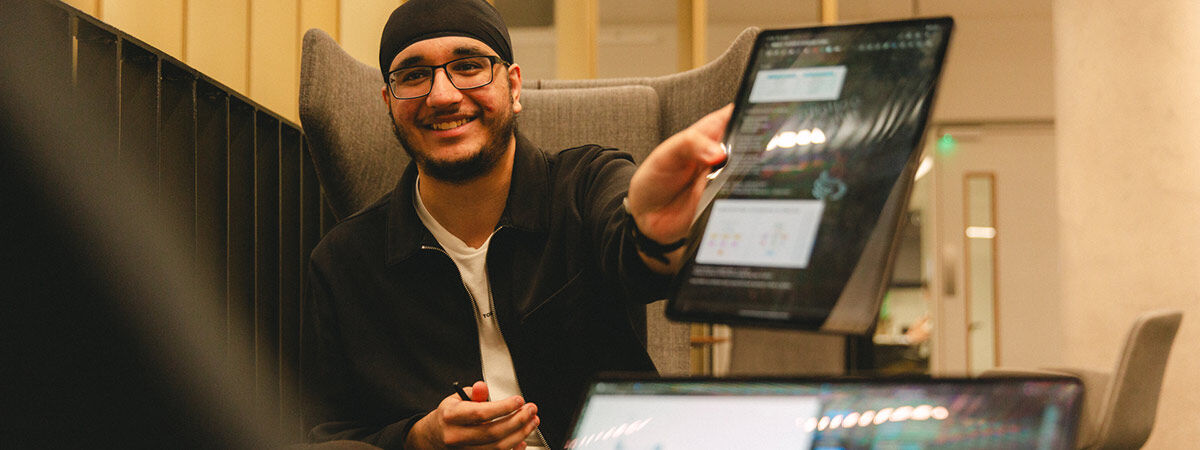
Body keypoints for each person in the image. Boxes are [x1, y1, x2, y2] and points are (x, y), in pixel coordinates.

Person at [300, 1, 731, 448]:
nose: (442, 95)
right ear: (389, 103)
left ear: (514, 85)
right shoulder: (344, 262)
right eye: (413, 75)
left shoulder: (585, 184)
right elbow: (329, 436)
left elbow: (636, 261)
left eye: (468, 67)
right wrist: (418, 439)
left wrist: (656, 236)